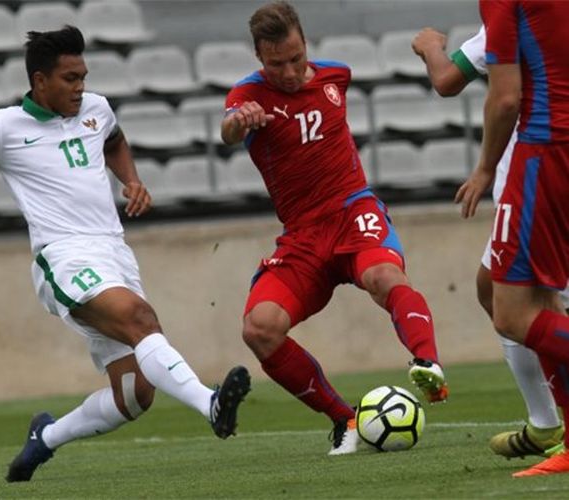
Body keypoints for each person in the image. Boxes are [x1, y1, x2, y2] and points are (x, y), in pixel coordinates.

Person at [0, 26, 251, 482]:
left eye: (84, 77)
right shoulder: (4, 127)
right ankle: (210, 405)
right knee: (140, 320)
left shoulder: (96, 109)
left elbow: (113, 141)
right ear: (40, 81)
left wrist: (129, 180)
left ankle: (45, 438)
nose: (81, 88)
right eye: (70, 79)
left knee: (135, 395)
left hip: (114, 251)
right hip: (64, 257)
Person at [220, 1, 447, 456]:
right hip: (302, 236)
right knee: (259, 328)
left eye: (295, 58)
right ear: (259, 58)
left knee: (385, 278)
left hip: (352, 211)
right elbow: (229, 128)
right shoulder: (247, 98)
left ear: (306, 44)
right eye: (275, 63)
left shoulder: (335, 76)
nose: (287, 71)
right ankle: (344, 419)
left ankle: (428, 364)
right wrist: (237, 124)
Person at [413, 25, 567, 459]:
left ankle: (547, 425)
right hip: (542, 166)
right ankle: (545, 424)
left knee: (523, 309)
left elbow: (449, 80)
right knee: (501, 293)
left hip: (540, 168)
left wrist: (429, 46)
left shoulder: (514, 11)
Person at [455, 0, 569, 477]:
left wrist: (484, 169)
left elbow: (505, 98)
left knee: (512, 311)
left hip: (545, 150)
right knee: (542, 302)